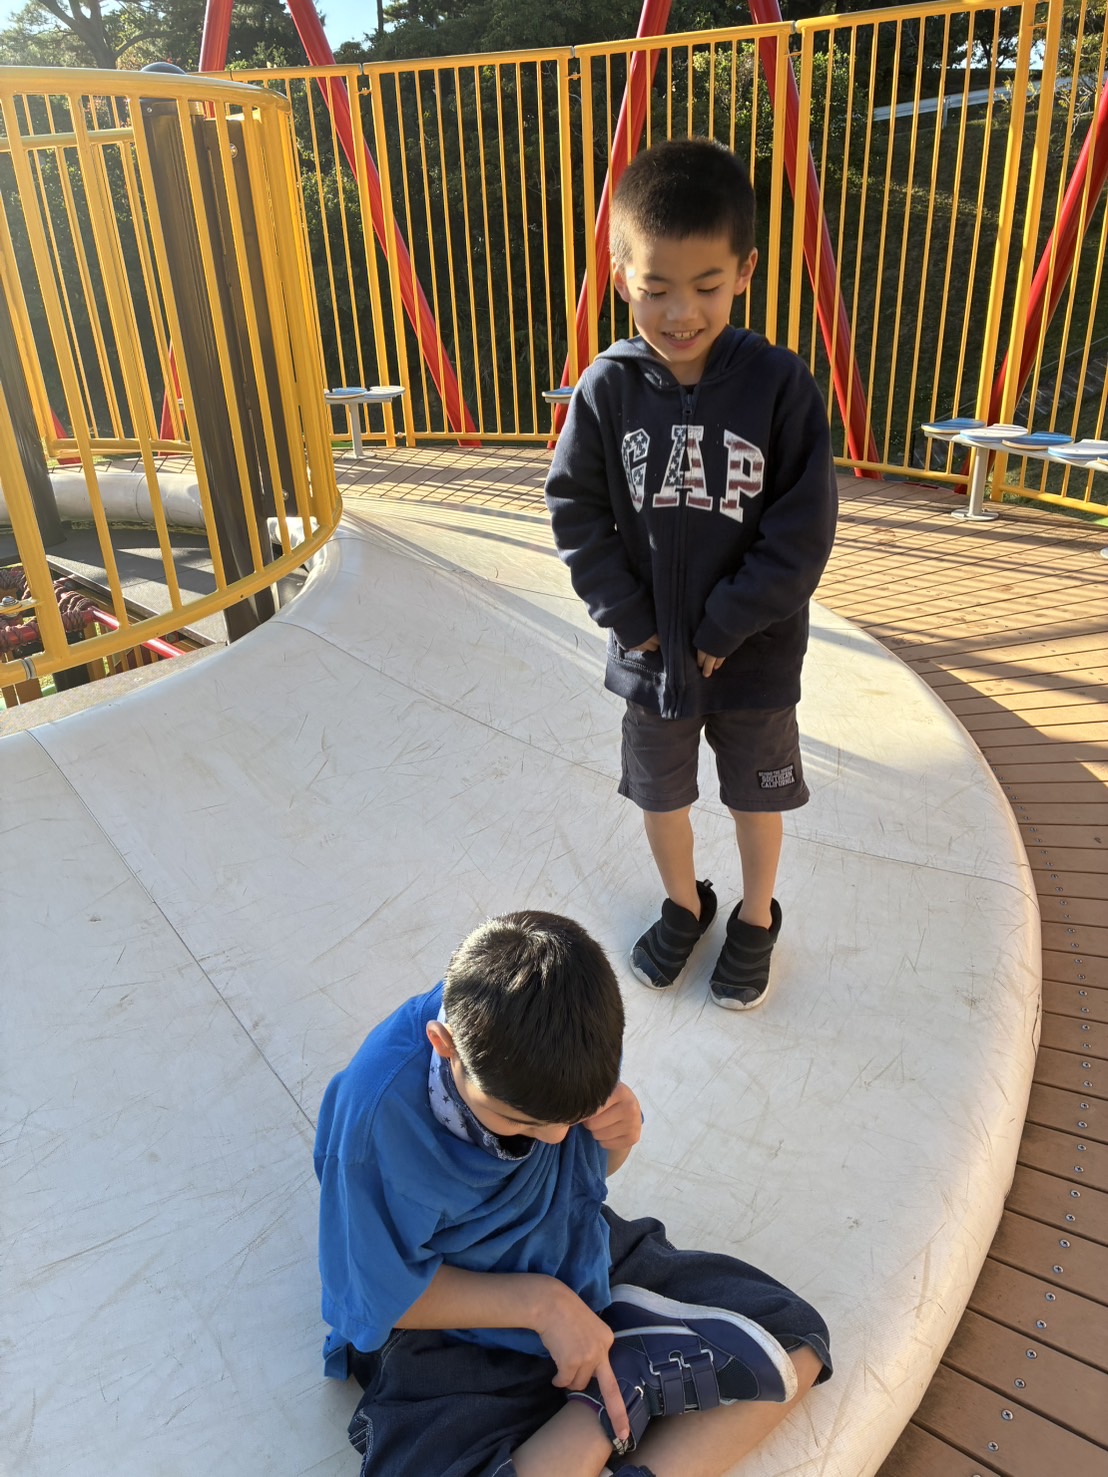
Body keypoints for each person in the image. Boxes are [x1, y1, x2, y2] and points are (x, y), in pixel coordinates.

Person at [315, 910, 831, 1477]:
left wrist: (619, 1137)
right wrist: (544, 1305)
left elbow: (586, 1180)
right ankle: (624, 1379)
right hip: (452, 1325)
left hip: (577, 1249)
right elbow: (375, 1298)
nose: (557, 1139)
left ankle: (628, 1372)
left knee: (793, 1341)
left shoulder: (572, 1033)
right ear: (444, 1046)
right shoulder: (374, 1126)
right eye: (521, 1122)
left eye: (571, 1117)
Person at [544, 138, 838, 1010]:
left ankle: (755, 915)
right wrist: (631, 619)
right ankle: (684, 903)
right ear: (620, 276)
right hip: (651, 659)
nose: (680, 312)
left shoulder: (780, 386)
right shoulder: (606, 389)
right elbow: (576, 510)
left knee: (755, 795)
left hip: (752, 658)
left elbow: (801, 533)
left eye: (707, 286)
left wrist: (726, 623)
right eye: (656, 287)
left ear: (745, 270)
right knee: (660, 794)